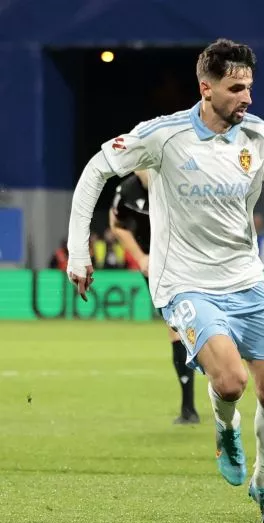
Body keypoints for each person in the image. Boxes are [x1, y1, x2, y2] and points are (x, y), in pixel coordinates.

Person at [65, 38, 264, 523]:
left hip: (246, 280)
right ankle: (225, 428)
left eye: (249, 87)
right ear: (206, 88)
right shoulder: (164, 136)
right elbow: (97, 169)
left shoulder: (261, 138)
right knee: (231, 381)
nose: (247, 97)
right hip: (185, 283)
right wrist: (79, 252)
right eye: (236, 88)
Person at [108, 169, 200, 424]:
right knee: (176, 327)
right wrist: (140, 257)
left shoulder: (180, 182)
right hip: (156, 266)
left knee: (186, 326)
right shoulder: (126, 191)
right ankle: (189, 408)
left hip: (188, 259)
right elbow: (117, 224)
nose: (145, 168)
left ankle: (195, 404)